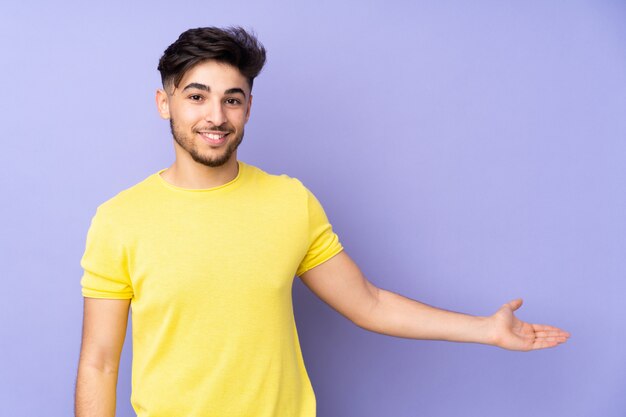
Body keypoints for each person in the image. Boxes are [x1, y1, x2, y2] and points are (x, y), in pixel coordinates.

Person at [74, 26, 570, 417]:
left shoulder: (289, 201)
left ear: (248, 107)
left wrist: (486, 329)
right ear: (166, 103)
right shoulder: (121, 219)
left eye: (232, 98)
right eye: (197, 96)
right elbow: (99, 362)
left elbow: (369, 303)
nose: (216, 116)